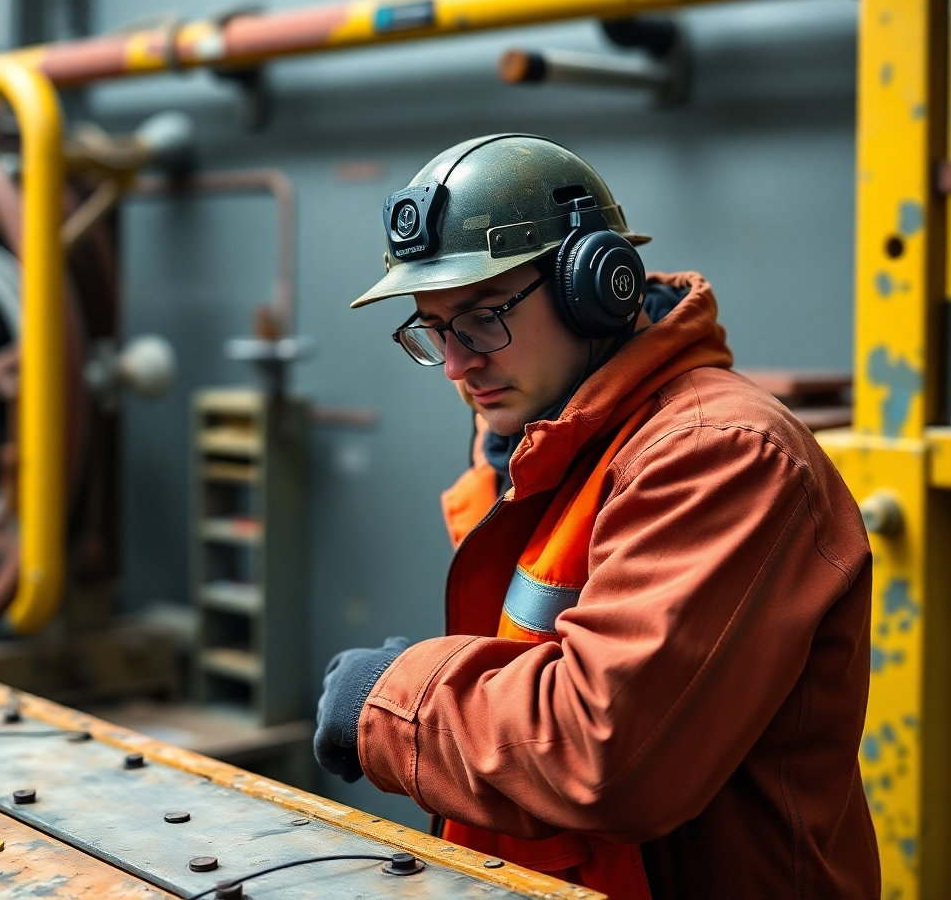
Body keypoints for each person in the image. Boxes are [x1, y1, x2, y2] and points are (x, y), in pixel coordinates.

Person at [314, 134, 880, 900]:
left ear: (597, 286)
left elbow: (600, 755)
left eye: (483, 318)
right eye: (433, 329)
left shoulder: (719, 455)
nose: (456, 362)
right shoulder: (549, 445)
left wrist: (393, 698)